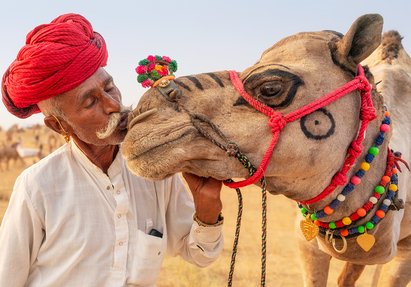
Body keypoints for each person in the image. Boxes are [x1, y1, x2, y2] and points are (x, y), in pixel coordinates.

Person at [0, 13, 224, 286]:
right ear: (59, 125)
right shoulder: (38, 187)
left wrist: (207, 207)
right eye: (91, 101)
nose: (112, 105)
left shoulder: (154, 174)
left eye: (109, 87)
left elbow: (199, 254)